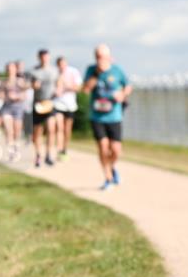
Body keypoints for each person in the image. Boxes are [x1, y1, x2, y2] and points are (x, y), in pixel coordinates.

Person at [82, 43, 131, 190]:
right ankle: (108, 177)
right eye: (97, 57)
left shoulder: (117, 70)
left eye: (102, 57)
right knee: (103, 147)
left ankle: (111, 167)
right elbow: (85, 89)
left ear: (109, 57)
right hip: (97, 117)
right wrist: (96, 74)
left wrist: (122, 94)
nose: (99, 60)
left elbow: (128, 86)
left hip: (114, 116)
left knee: (116, 150)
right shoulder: (91, 70)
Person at [30, 49, 59, 167]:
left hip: (50, 103)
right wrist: (34, 85)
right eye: (42, 57)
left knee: (51, 129)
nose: (44, 59)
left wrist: (59, 90)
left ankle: (48, 154)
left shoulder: (54, 71)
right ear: (39, 58)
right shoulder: (34, 71)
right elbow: (31, 85)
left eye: (46, 57)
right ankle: (38, 155)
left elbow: (59, 83)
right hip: (38, 104)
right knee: (38, 132)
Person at [53, 55, 83, 160]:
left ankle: (64, 149)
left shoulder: (73, 72)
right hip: (57, 104)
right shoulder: (54, 73)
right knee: (59, 127)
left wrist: (67, 86)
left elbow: (79, 87)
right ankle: (59, 149)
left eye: (63, 64)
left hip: (70, 105)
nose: (61, 67)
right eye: (59, 65)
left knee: (67, 129)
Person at [0, 61, 28, 161]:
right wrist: (5, 96)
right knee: (8, 131)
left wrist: (17, 96)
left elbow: (25, 95)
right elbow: (1, 95)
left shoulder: (20, 81)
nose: (10, 70)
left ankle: (16, 148)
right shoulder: (4, 82)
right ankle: (10, 152)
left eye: (11, 68)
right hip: (7, 108)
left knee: (16, 132)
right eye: (8, 68)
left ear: (15, 69)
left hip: (18, 108)